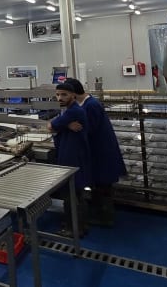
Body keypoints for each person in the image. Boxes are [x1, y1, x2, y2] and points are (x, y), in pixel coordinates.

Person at [64, 78, 126, 227]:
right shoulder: (87, 103)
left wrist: (65, 127)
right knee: (99, 184)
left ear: (73, 93)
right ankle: (101, 213)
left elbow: (87, 128)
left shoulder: (91, 105)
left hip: (102, 151)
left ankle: (106, 218)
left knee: (103, 185)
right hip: (97, 150)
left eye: (64, 94)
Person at [48, 82, 92, 237]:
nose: (60, 97)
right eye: (58, 94)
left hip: (72, 157)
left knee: (70, 193)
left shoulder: (74, 111)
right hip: (71, 154)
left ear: (73, 95)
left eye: (64, 94)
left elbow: (51, 126)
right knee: (76, 193)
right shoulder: (69, 112)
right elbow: (56, 126)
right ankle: (78, 225)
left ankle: (73, 229)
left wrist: (60, 125)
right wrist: (65, 126)